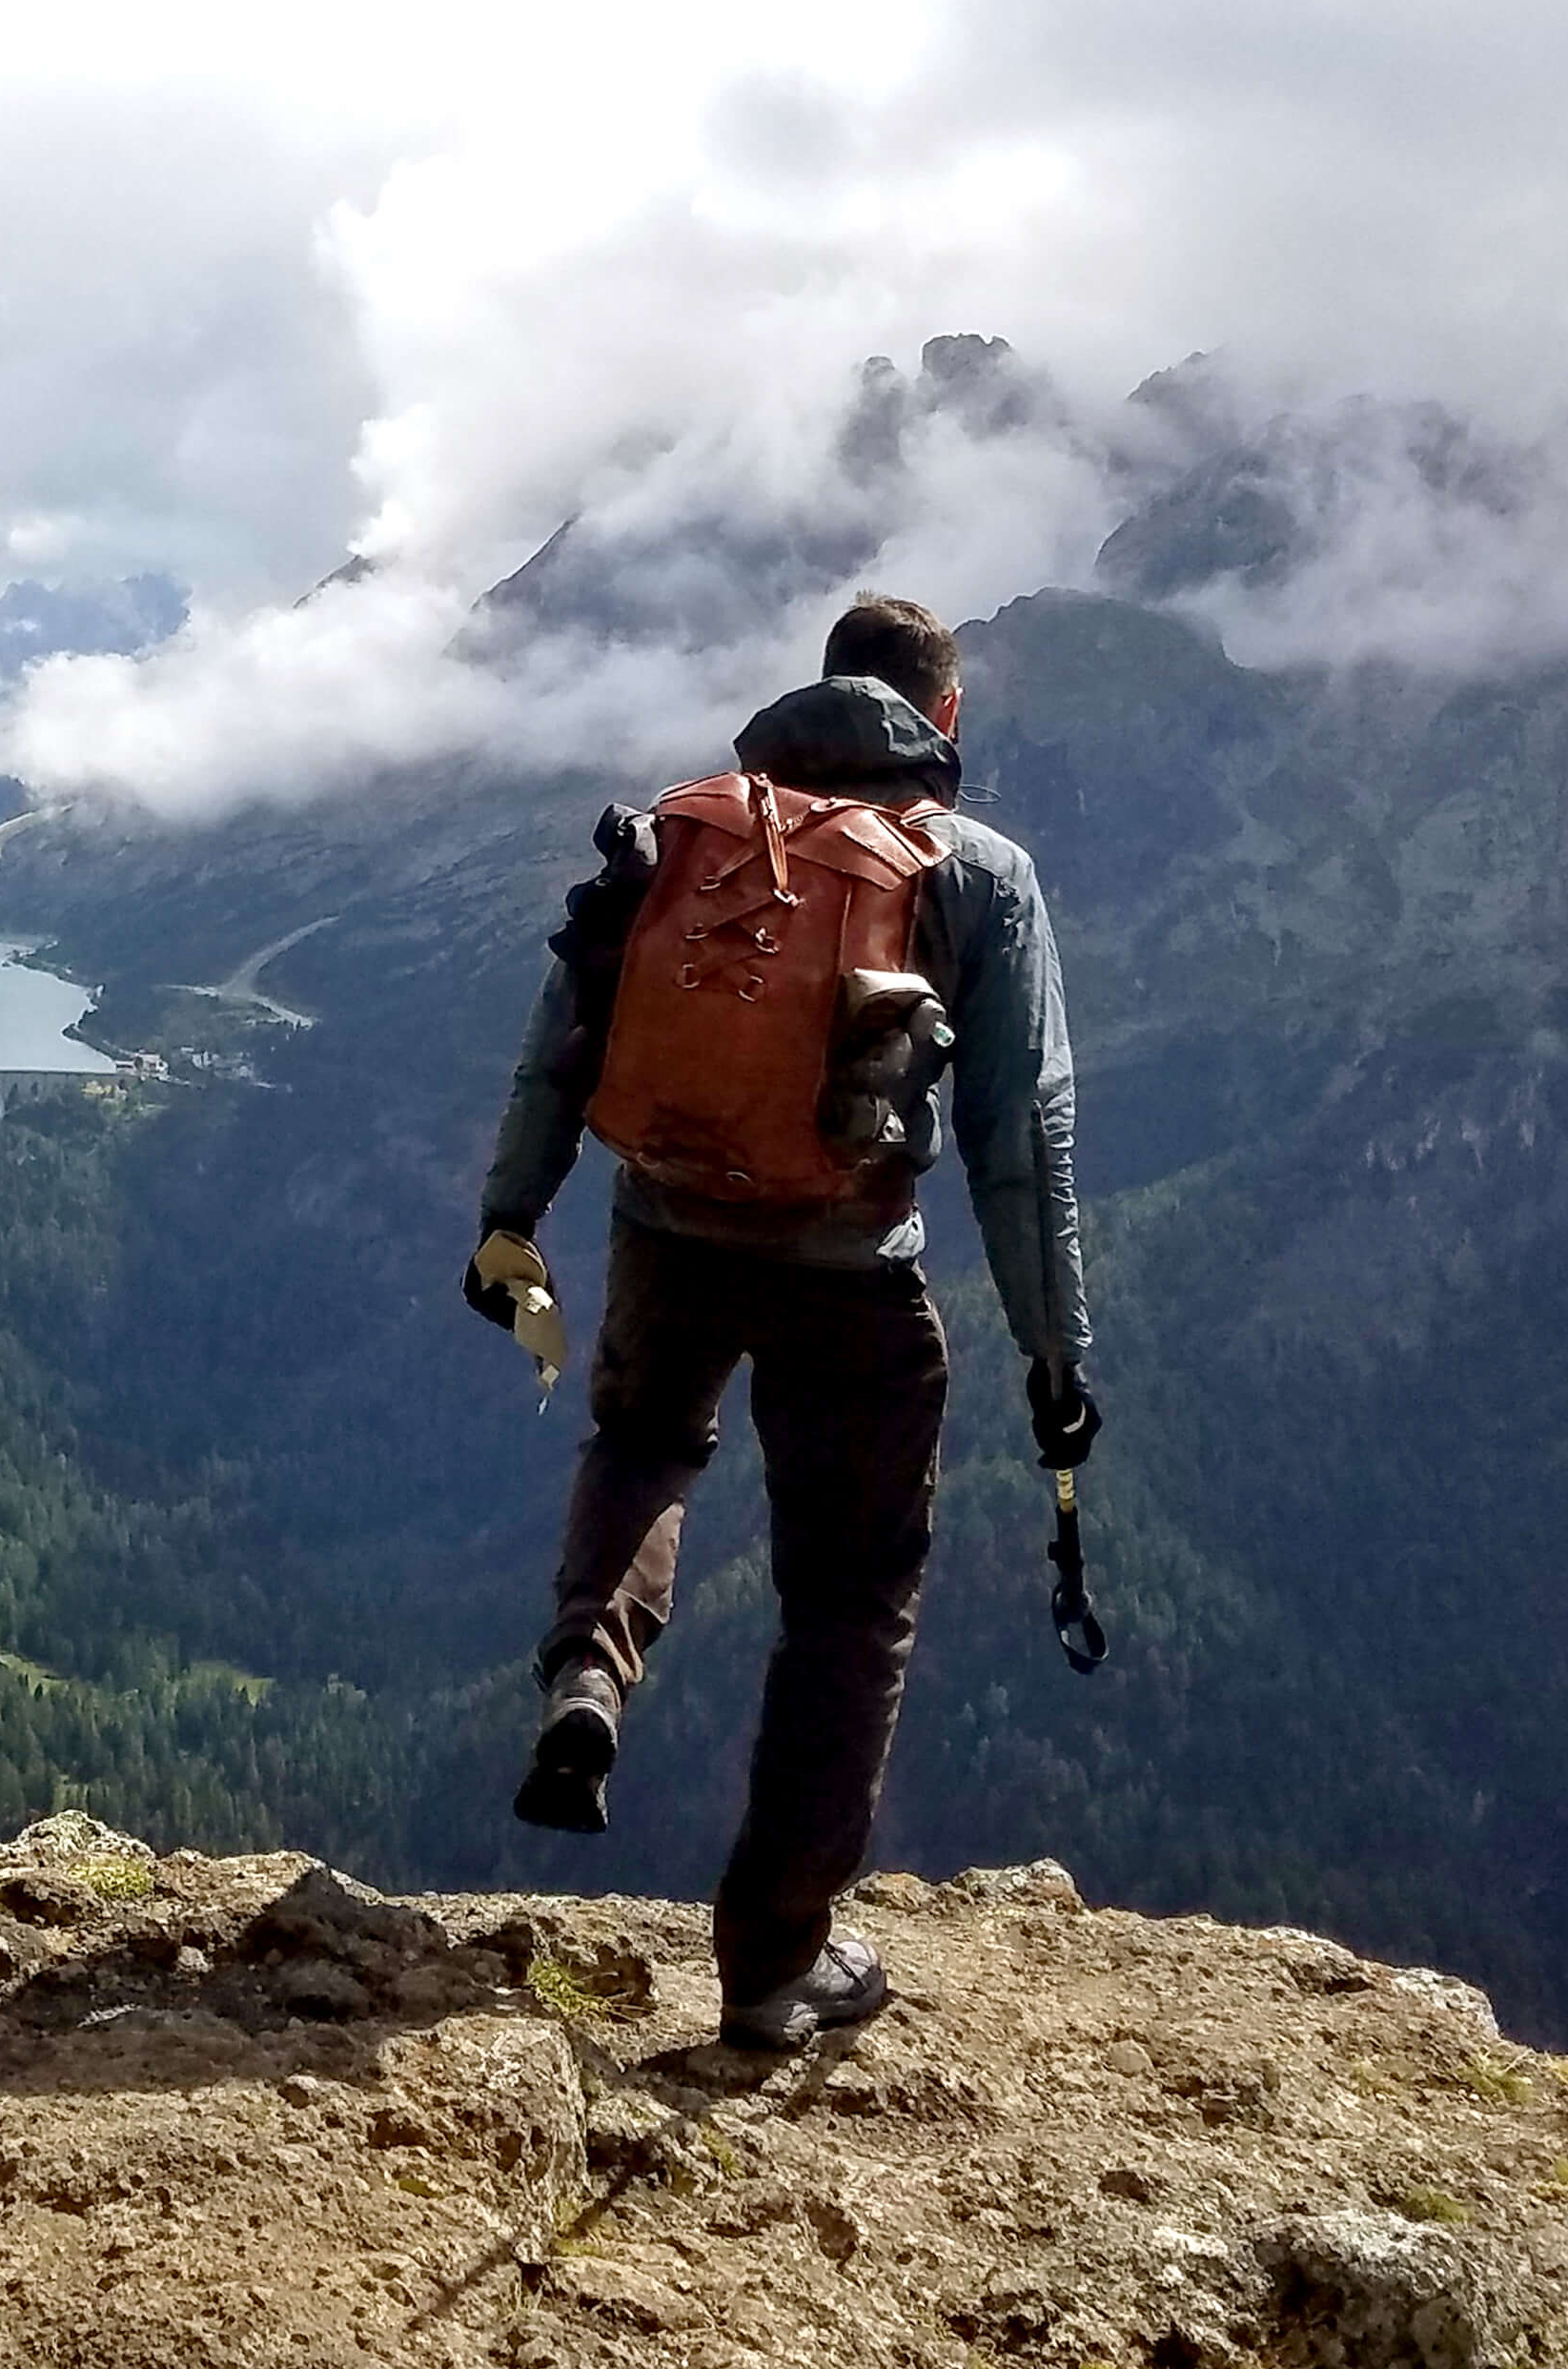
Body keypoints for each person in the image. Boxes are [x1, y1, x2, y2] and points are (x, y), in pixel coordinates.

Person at [464, 593, 1095, 2052]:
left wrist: (511, 1217)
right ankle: (771, 1962)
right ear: (943, 720)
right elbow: (1022, 1137)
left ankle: (587, 1671)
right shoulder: (978, 870)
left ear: (815, 696)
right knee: (848, 1608)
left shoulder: (689, 834)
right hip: (853, 1272)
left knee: (643, 1440)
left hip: (665, 1231)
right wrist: (1057, 1354)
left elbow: (562, 1040)